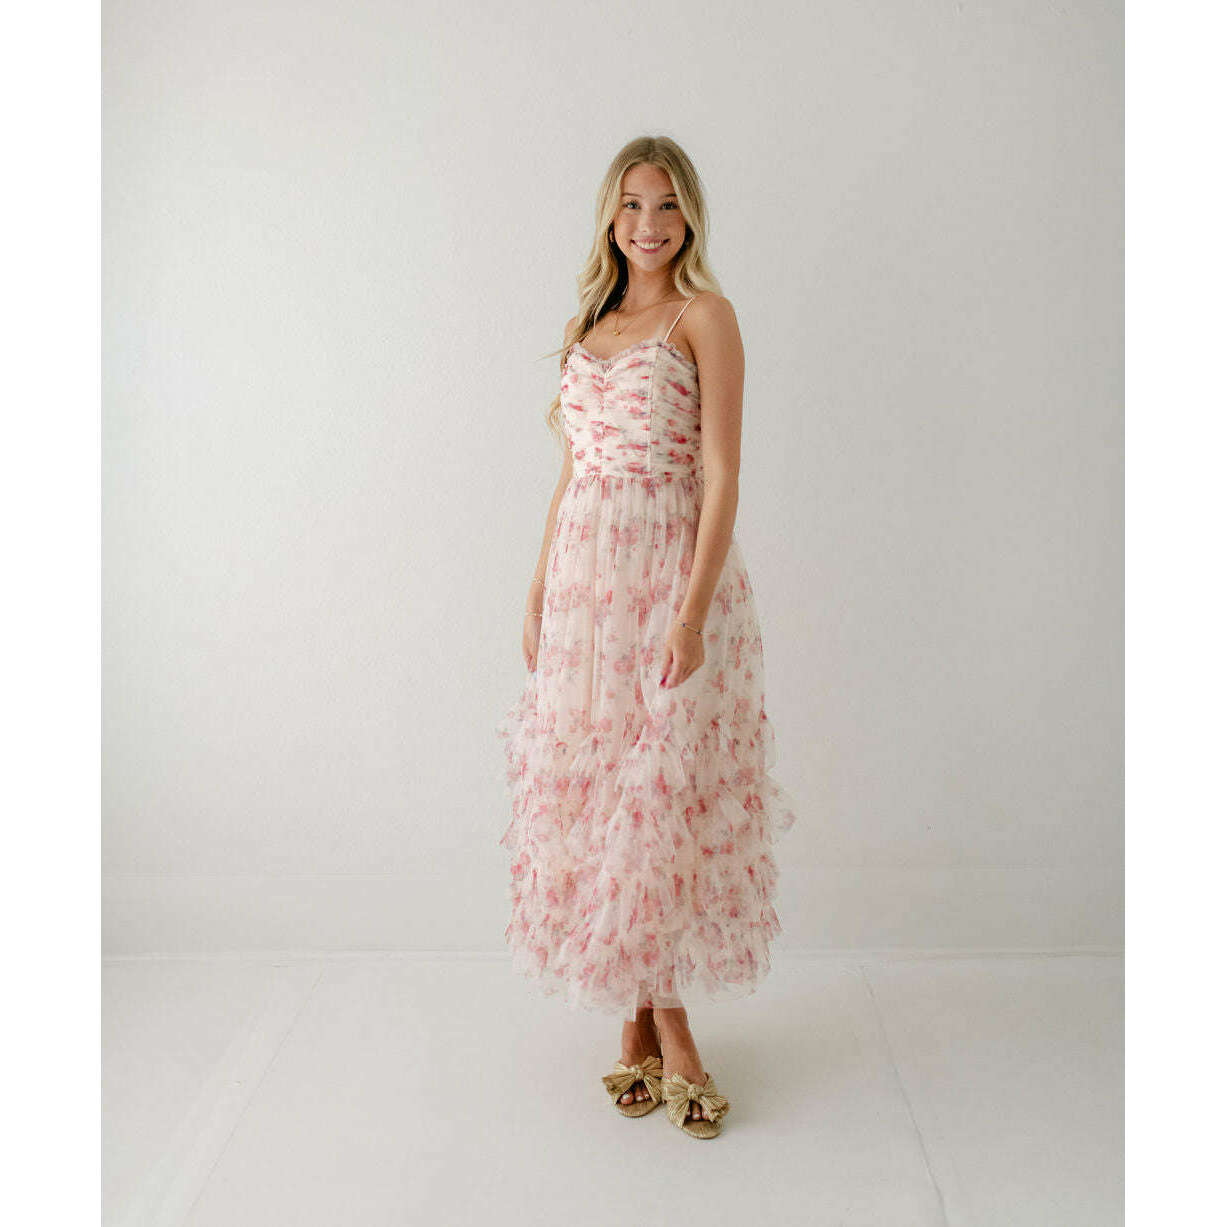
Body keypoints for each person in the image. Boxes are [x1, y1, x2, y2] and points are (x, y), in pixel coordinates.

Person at [496, 135, 798, 1139]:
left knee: (659, 794)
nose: (648, 224)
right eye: (631, 204)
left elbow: (723, 472)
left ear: (689, 215)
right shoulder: (588, 323)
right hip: (588, 588)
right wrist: (539, 584)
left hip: (667, 572)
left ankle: (668, 1031)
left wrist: (692, 611)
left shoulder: (703, 316)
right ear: (609, 216)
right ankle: (639, 1024)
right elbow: (572, 470)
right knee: (605, 796)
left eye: (666, 205)